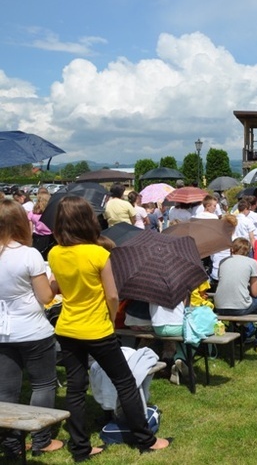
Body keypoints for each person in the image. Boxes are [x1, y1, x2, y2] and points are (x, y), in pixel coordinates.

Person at [48, 196, 170, 461]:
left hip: (67, 328)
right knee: (125, 382)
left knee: (76, 389)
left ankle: (80, 447)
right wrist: (111, 317)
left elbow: (54, 287)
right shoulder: (99, 253)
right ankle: (145, 439)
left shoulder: (55, 253)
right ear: (88, 221)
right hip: (97, 328)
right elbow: (112, 295)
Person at [0, 200, 63, 458]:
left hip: (3, 332)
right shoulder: (29, 255)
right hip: (33, 329)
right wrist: (55, 283)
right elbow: (46, 296)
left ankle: (12, 444)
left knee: (6, 390)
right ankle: (41, 439)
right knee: (43, 384)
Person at [213, 238, 257, 352]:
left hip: (220, 305)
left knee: (243, 300)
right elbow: (255, 293)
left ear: (232, 249)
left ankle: (245, 331)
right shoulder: (252, 262)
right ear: (248, 251)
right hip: (239, 307)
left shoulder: (223, 262)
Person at [29, 192, 54, 259]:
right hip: (50, 237)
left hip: (37, 237)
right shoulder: (52, 212)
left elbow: (30, 229)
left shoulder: (33, 212)